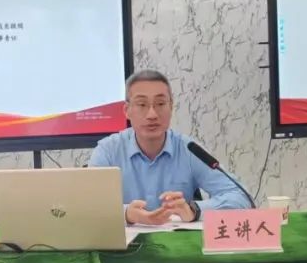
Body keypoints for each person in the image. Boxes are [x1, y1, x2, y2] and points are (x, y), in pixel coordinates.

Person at [89, 69, 250, 225]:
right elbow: (88, 206)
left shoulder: (189, 150)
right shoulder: (108, 151)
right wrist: (126, 214)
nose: (152, 114)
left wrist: (194, 210)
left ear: (171, 107)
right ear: (127, 110)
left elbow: (241, 197)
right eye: (142, 104)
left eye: (160, 104)